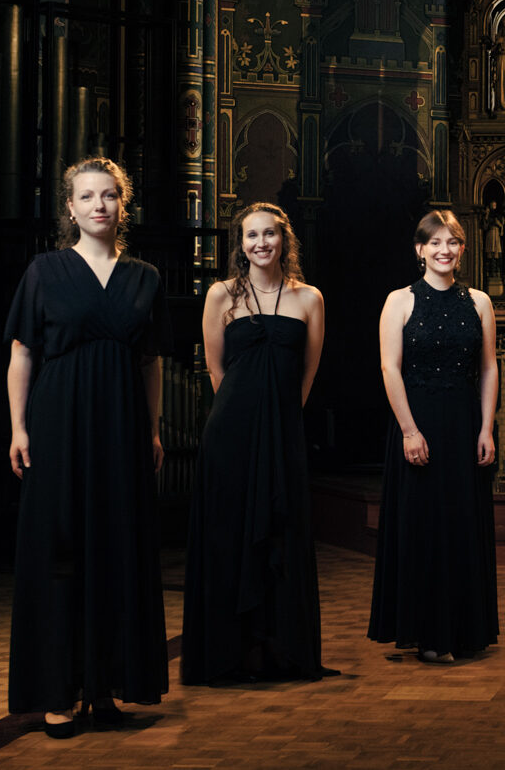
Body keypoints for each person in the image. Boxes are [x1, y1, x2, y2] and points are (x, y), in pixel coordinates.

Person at [3, 157, 169, 737]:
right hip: (57, 424)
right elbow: (22, 354)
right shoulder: (44, 271)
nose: (99, 205)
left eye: (109, 196)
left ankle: (105, 690)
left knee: (117, 551)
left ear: (123, 206)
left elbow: (151, 364)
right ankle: (59, 692)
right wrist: (19, 428)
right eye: (87, 196)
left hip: (122, 429)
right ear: (69, 208)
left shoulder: (145, 276)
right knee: (60, 554)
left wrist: (151, 429)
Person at [182, 203, 330, 685]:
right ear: (240, 244)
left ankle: (279, 650)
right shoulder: (221, 294)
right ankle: (231, 652)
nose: (261, 243)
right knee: (229, 535)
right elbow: (214, 368)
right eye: (251, 236)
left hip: (283, 431)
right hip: (231, 433)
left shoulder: (309, 298)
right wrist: (244, 414)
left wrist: (281, 418)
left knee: (282, 534)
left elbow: (307, 372)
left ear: (284, 240)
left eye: (269, 234)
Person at [368, 211, 502, 664]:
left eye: (454, 242)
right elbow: (390, 368)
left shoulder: (480, 302)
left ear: (462, 250)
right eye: (435, 242)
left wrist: (486, 428)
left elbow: (488, 367)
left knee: (462, 527)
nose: (445, 250)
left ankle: (464, 630)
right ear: (419, 249)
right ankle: (425, 632)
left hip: (464, 424)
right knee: (422, 528)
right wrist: (409, 430)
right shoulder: (398, 301)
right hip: (418, 422)